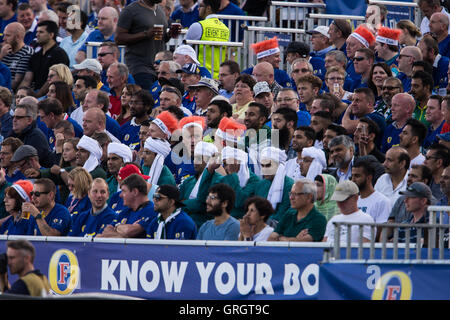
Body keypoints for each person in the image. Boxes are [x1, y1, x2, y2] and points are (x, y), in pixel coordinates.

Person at [115, 0, 179, 91]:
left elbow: (161, 39)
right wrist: (145, 34)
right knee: (145, 101)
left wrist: (169, 34)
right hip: (140, 67)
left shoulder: (160, 10)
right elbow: (118, 38)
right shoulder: (130, 11)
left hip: (158, 68)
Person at [99, 173, 156, 238]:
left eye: (124, 191)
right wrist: (123, 233)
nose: (120, 195)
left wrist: (116, 227)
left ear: (135, 192)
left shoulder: (151, 210)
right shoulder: (125, 212)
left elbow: (129, 231)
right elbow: (104, 232)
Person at [19, 20, 69, 92]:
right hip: (35, 92)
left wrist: (38, 95)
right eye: (37, 32)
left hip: (53, 93)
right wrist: (20, 93)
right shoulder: (35, 55)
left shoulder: (59, 54)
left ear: (51, 35)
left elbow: (54, 79)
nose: (37, 35)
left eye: (41, 32)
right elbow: (27, 79)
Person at [184, 0, 230, 78]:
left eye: (200, 6)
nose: (198, 9)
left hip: (200, 74)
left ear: (208, 8)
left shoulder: (198, 26)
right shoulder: (225, 29)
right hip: (219, 76)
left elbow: (183, 49)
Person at [254, 146, 294, 225]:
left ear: (279, 166)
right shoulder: (260, 185)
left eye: (268, 165)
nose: (264, 169)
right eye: (262, 165)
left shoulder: (289, 185)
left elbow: (282, 214)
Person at [11, 103, 57, 168]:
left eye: (18, 117)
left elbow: (27, 164)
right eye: (13, 117)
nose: (14, 120)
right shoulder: (14, 134)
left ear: (29, 120)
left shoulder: (36, 136)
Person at [352, 159, 391, 224]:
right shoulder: (353, 201)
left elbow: (381, 229)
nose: (353, 180)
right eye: (352, 176)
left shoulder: (382, 201)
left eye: (357, 176)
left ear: (369, 178)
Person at [0, 22, 34, 92]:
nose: (4, 38)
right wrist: (1, 56)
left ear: (18, 37)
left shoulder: (26, 52)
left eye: (8, 35)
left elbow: (16, 82)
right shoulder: (4, 51)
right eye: (4, 35)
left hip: (9, 92)